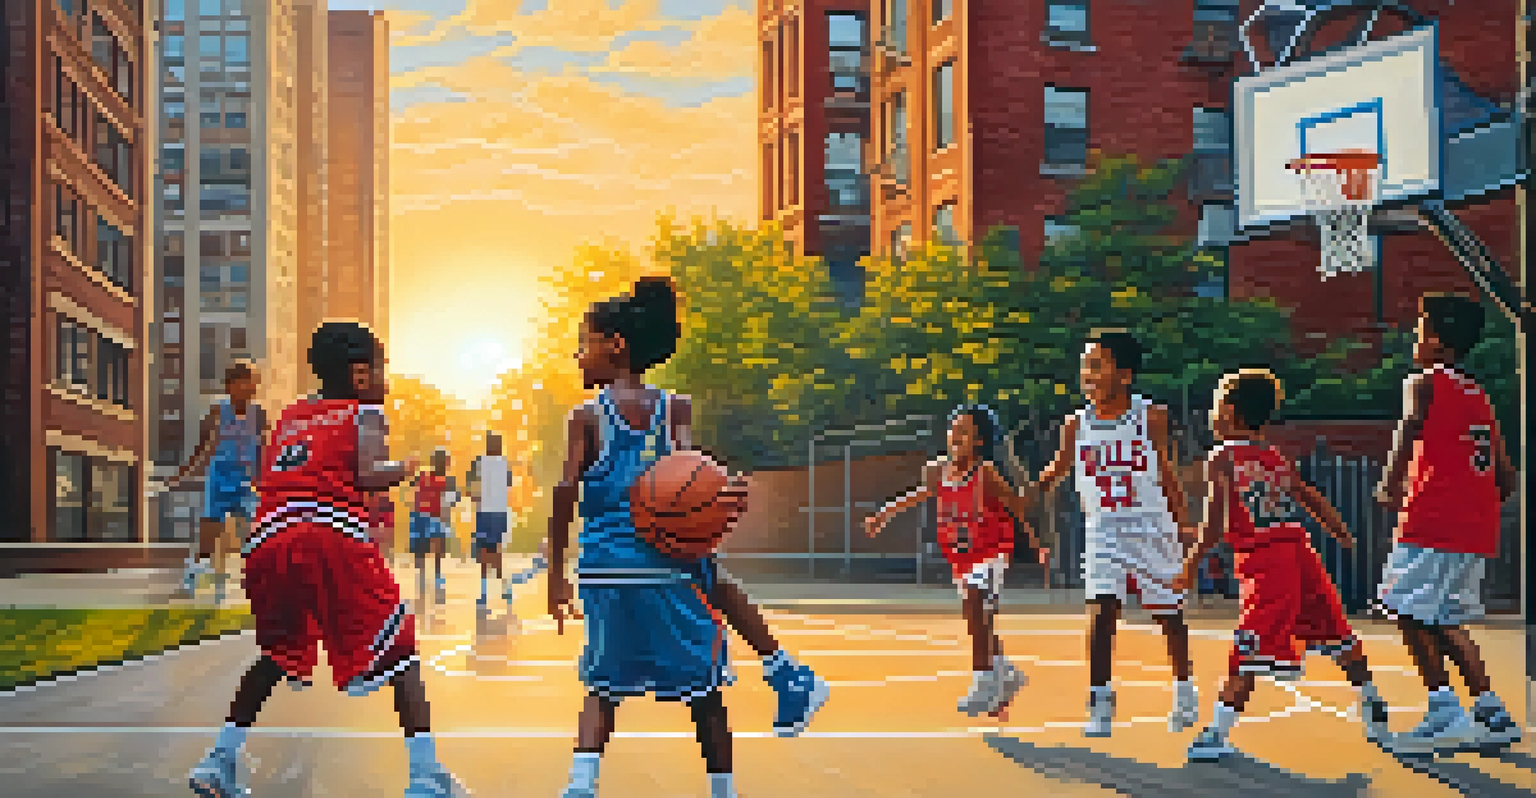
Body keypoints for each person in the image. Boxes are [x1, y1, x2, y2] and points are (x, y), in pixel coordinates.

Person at [548, 277, 828, 798]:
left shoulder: (585, 417)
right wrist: (725, 498)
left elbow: (566, 492)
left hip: (604, 572)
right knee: (705, 690)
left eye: (584, 342)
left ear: (616, 345)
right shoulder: (673, 409)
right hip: (664, 566)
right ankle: (781, 681)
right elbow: (691, 478)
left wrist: (556, 578)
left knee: (602, 688)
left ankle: (579, 786)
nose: (577, 354)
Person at [187, 321, 468, 797]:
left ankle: (218, 760)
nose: (384, 379)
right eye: (380, 370)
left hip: (269, 543)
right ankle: (425, 776)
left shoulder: (291, 416)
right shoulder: (366, 414)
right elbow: (367, 475)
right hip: (330, 538)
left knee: (275, 655)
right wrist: (407, 466)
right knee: (400, 650)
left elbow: (272, 475)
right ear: (360, 376)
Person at [1175, 369, 1389, 761]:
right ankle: (1373, 702)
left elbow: (1214, 523)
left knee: (1248, 645)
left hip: (1266, 562)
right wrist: (1340, 530)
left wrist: (1190, 564)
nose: (1212, 413)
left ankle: (1216, 733)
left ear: (1233, 413)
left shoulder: (1221, 458)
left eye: (1217, 405)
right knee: (1334, 631)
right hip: (1300, 553)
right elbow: (1309, 496)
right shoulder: (1272, 457)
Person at [1374, 293, 1520, 757]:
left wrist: (1390, 481)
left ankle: (1443, 713)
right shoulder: (1480, 396)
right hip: (1475, 527)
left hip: (1434, 518)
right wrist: (1477, 504)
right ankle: (1491, 712)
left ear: (1436, 341)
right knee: (1445, 618)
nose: (1415, 340)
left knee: (1405, 607)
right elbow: (1506, 476)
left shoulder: (1425, 381)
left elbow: (1410, 423)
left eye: (1419, 331)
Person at [1033, 330, 1198, 737]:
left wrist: (1185, 528)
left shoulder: (1151, 417)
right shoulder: (1075, 424)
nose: (1087, 373)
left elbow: (1167, 475)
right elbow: (1057, 469)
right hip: (1103, 528)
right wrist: (1026, 494)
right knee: (1102, 610)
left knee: (1169, 616)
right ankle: (1100, 700)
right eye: (1085, 365)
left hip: (1151, 525)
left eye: (1097, 365)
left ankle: (1183, 689)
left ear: (1124, 375)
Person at [866, 404, 1048, 717]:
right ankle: (1006, 674)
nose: (955, 435)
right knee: (979, 621)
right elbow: (920, 493)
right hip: (961, 555)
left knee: (976, 606)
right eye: (954, 429)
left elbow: (1017, 507)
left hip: (991, 550)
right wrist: (884, 514)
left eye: (964, 431)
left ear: (979, 441)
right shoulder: (939, 471)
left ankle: (983, 682)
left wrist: (1036, 540)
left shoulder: (986, 473)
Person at [166, 360, 266, 605]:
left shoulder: (259, 414)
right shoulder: (217, 411)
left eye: (255, 381)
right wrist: (182, 473)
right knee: (208, 540)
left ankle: (259, 584)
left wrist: (265, 480)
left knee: (254, 537)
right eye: (248, 380)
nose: (254, 385)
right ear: (232, 385)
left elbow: (264, 449)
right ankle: (192, 576)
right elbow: (201, 448)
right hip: (219, 480)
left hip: (246, 483)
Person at [467, 433, 516, 608]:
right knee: (496, 550)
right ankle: (504, 587)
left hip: (485, 512)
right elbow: (508, 486)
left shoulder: (479, 462)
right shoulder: (504, 464)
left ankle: (484, 591)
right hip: (499, 512)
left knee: (484, 551)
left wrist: (475, 496)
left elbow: (469, 484)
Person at [410, 450, 456, 601]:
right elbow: (452, 500)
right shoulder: (447, 480)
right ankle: (435, 576)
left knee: (423, 548)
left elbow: (413, 487)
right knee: (437, 545)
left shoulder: (422, 476)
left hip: (420, 515)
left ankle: (424, 577)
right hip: (433, 516)